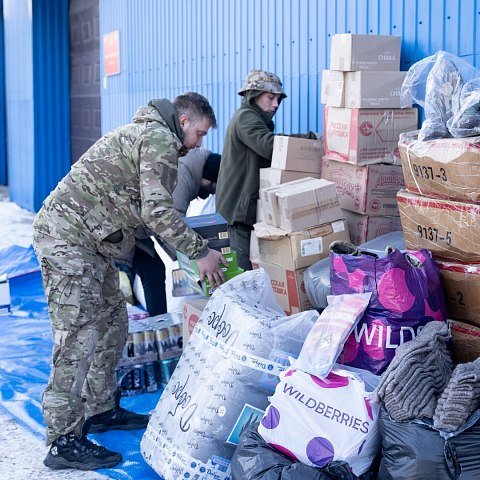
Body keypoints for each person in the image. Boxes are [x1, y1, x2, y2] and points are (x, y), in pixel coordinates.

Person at [32, 92, 226, 471]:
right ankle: (62, 440)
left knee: (112, 321)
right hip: (67, 239)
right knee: (79, 335)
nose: (200, 143)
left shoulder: (152, 136)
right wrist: (200, 251)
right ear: (183, 122)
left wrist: (181, 256)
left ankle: (101, 409)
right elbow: (157, 212)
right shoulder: (158, 140)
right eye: (200, 134)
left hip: (91, 243)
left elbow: (146, 212)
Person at [215, 69, 316, 270]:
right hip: (238, 213)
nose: (276, 104)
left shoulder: (255, 119)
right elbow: (269, 146)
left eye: (278, 99)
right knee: (242, 275)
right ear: (253, 96)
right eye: (270, 97)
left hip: (245, 210)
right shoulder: (246, 117)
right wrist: (310, 140)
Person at [118, 149, 222, 316]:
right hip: (118, 225)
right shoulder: (181, 177)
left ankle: (159, 327)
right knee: (127, 275)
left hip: (136, 226)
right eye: (212, 189)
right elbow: (169, 226)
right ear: (207, 180)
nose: (209, 194)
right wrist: (195, 258)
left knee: (154, 271)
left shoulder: (188, 170)